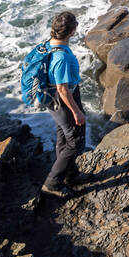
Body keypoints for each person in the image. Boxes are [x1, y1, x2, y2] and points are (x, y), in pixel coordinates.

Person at [40, 11, 87, 198]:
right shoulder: (61, 58)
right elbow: (62, 89)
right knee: (76, 142)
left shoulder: (48, 45)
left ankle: (71, 175)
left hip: (53, 99)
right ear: (72, 31)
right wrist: (77, 112)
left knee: (63, 136)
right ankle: (52, 182)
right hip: (62, 100)